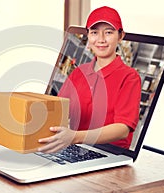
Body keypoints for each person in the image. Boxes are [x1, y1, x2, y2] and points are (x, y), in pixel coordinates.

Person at [38, 6, 141, 153]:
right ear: (88, 36)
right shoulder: (79, 73)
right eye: (94, 33)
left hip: (111, 154)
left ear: (120, 36)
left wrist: (74, 137)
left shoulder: (129, 77)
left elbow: (122, 129)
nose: (101, 39)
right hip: (75, 148)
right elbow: (58, 110)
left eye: (109, 33)